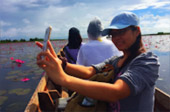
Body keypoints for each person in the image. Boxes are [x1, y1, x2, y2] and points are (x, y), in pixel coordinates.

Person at [36, 12, 160, 111]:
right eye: (113, 34)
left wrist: (64, 79)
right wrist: (62, 64)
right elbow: (90, 71)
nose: (116, 38)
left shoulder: (147, 61)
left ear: (137, 31)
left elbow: (116, 92)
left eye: (121, 32)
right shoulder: (116, 60)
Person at [77, 17, 122, 106]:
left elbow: (80, 68)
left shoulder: (84, 47)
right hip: (111, 84)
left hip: (92, 88)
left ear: (89, 33)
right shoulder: (113, 44)